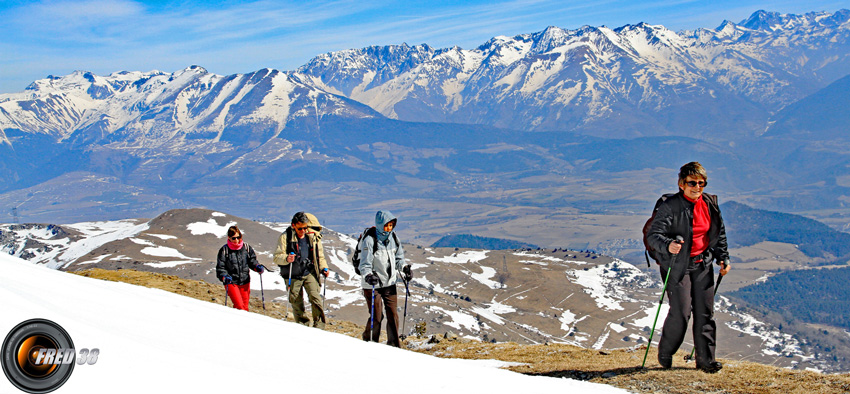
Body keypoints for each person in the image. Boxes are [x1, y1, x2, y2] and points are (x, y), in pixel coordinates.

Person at [647, 161, 732, 373]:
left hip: (702, 263)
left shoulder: (710, 203)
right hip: (677, 266)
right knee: (682, 311)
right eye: (692, 183)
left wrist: (723, 257)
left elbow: (718, 233)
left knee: (705, 313)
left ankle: (706, 361)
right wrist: (668, 245)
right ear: (681, 184)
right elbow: (653, 235)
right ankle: (666, 352)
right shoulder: (670, 205)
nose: (697, 187)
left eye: (701, 183)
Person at [358, 210, 412, 347]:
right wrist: (368, 275)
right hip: (372, 285)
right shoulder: (369, 241)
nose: (390, 228)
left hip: (389, 283)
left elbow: (399, 259)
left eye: (392, 225)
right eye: (387, 225)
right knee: (377, 316)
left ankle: (394, 346)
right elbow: (364, 264)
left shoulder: (393, 238)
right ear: (380, 224)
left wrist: (405, 268)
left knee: (393, 315)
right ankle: (369, 343)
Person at [273, 212, 329, 329]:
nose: (303, 231)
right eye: (300, 228)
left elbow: (319, 256)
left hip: (309, 272)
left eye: (305, 228)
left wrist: (324, 267)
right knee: (296, 302)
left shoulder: (312, 237)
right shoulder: (285, 237)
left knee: (315, 298)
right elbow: (277, 257)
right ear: (293, 225)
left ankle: (319, 326)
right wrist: (287, 258)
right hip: (293, 274)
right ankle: (302, 325)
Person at [216, 225, 265, 311]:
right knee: (239, 307)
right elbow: (220, 267)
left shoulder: (246, 247)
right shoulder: (224, 250)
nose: (237, 240)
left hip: (245, 281)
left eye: (239, 237)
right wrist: (224, 276)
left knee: (245, 308)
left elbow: (252, 261)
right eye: (234, 238)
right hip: (231, 282)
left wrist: (257, 267)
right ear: (229, 237)